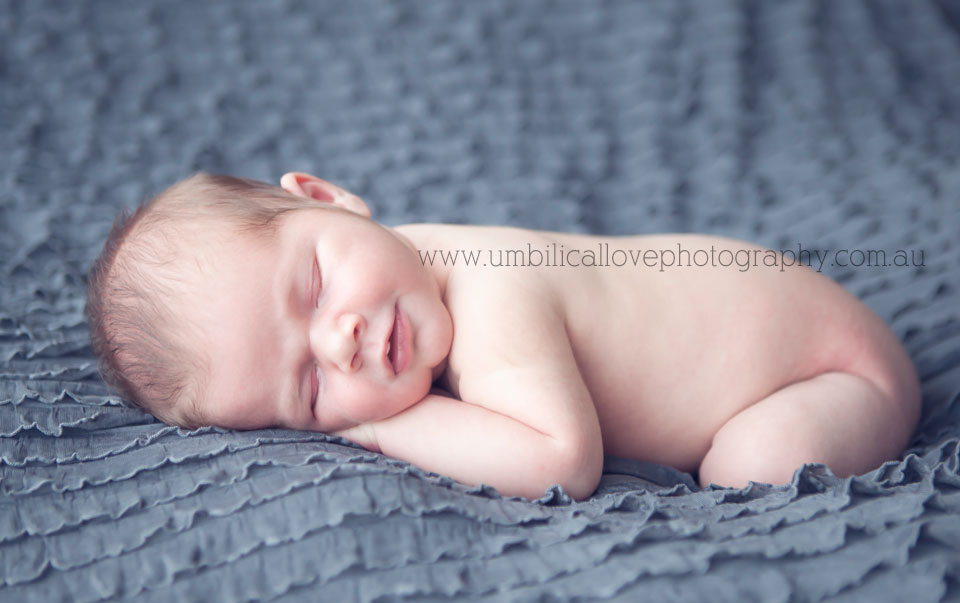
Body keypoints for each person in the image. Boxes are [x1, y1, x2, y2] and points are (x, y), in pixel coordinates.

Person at [85, 172, 923, 500]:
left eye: (311, 285)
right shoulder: (401, 262)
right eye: (308, 389)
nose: (339, 341)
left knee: (747, 471)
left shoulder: (489, 292)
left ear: (328, 194)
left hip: (835, 373)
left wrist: (377, 424)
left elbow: (561, 460)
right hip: (783, 317)